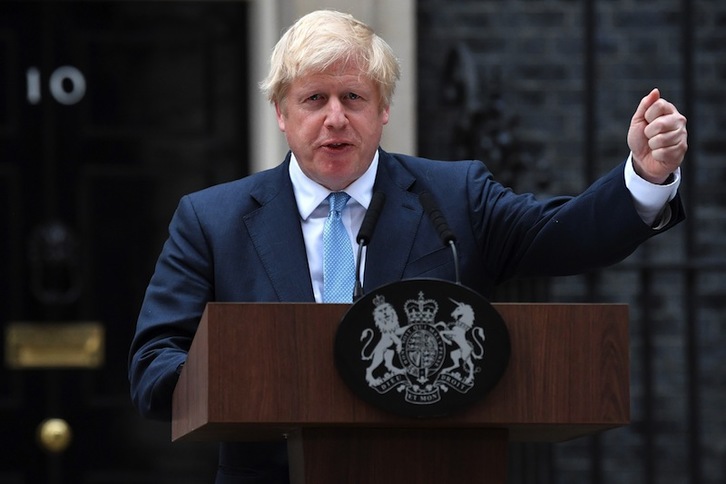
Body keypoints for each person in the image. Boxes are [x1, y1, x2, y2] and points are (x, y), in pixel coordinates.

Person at [128, 9, 688, 484]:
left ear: (384, 108)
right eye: (313, 99)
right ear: (281, 112)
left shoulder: (454, 198)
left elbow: (564, 235)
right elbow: (154, 365)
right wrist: (242, 375)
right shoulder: (212, 219)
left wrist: (643, 175)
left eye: (353, 96)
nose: (335, 119)